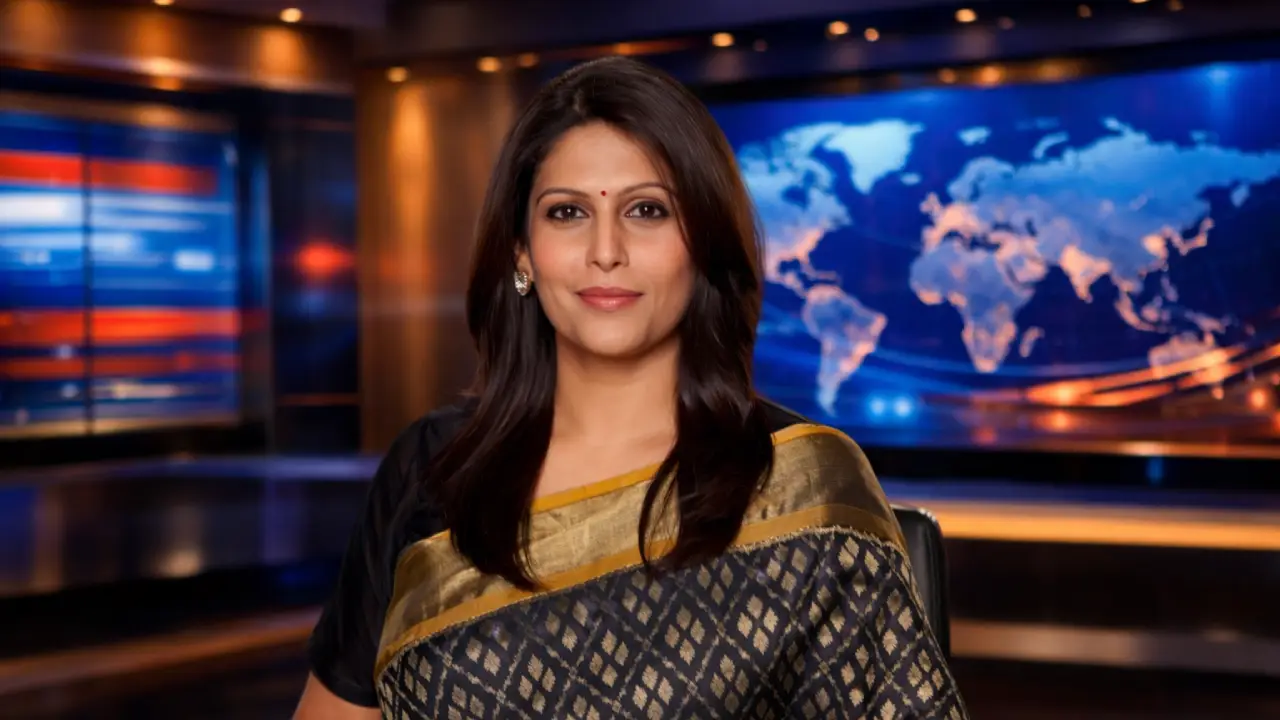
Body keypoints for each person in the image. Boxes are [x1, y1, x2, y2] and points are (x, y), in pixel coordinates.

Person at [294, 56, 966, 719]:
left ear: (700, 241)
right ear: (521, 252)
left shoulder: (805, 485)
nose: (605, 250)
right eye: (567, 213)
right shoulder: (433, 468)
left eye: (647, 210)